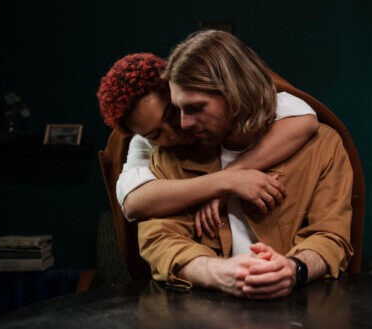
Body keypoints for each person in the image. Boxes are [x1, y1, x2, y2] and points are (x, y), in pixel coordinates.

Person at [139, 30, 353, 299]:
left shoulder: (323, 146)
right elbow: (159, 239)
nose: (183, 124)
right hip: (203, 312)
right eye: (178, 109)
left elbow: (331, 236)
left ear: (236, 93)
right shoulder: (173, 155)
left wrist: (292, 269)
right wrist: (218, 272)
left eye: (195, 108)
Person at [97, 53, 319, 237]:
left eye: (173, 112)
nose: (177, 129)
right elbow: (133, 201)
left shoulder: (224, 104)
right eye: (156, 133)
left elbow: (304, 118)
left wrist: (235, 170)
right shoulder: (143, 143)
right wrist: (224, 182)